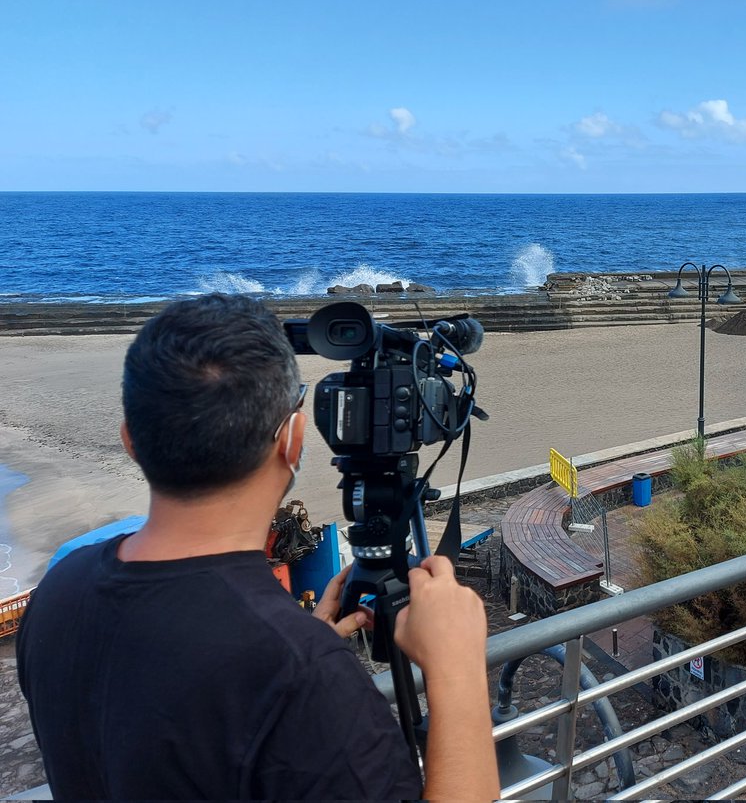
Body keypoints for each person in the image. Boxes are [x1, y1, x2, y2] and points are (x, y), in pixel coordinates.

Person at [17, 294, 500, 801]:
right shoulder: (298, 672)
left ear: (130, 440)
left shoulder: (58, 591)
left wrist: (296, 648)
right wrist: (457, 670)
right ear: (293, 439)